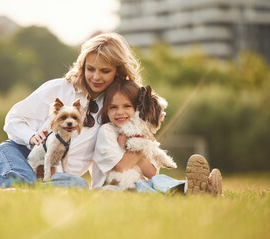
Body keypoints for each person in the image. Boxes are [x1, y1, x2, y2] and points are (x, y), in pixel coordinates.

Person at [0, 32, 143, 189]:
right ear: (82, 66)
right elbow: (13, 119)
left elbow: (102, 159)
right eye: (90, 69)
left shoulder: (115, 110)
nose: (96, 77)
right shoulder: (59, 88)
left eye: (104, 71)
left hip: (55, 176)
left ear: (117, 72)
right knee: (21, 178)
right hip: (19, 155)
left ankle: (22, 190)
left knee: (78, 184)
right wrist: (30, 137)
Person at [92, 79, 222, 195]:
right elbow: (121, 167)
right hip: (111, 187)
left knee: (158, 180)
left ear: (137, 108)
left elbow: (152, 173)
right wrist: (142, 147)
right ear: (106, 110)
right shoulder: (107, 131)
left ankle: (198, 187)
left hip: (138, 183)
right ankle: (190, 189)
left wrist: (139, 154)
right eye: (113, 107)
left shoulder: (142, 132)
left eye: (127, 106)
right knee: (142, 186)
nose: (120, 112)